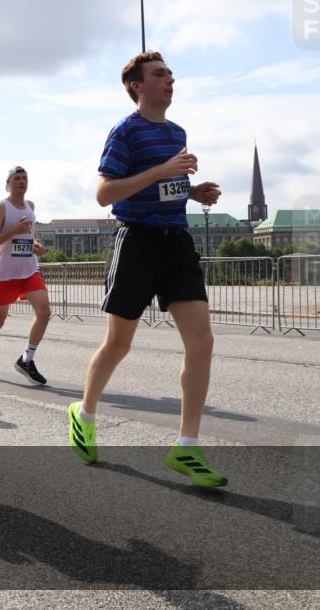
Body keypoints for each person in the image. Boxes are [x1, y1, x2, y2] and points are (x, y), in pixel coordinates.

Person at [68, 51, 226, 488]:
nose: (170, 79)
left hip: (176, 241)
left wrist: (192, 192)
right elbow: (105, 194)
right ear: (138, 85)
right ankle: (84, 414)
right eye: (160, 74)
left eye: (171, 73)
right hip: (136, 241)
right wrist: (162, 170)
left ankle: (187, 445)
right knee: (119, 344)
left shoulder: (177, 132)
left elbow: (164, 188)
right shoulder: (125, 130)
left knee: (202, 341)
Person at [0, 166, 51, 386]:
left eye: (25, 178)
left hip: (29, 269)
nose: (22, 181)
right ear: (8, 183)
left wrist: (35, 245)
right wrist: (14, 231)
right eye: (17, 178)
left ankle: (26, 360)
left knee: (45, 312)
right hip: (5, 274)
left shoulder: (30, 206)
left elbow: (28, 235)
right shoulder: (1, 208)